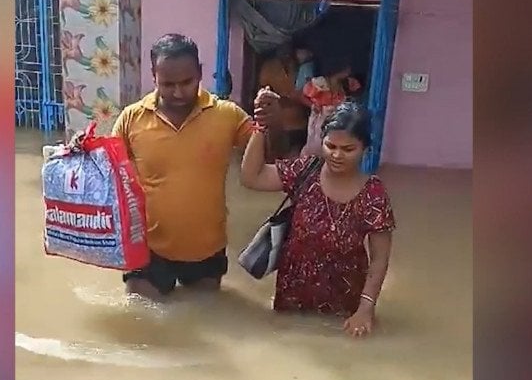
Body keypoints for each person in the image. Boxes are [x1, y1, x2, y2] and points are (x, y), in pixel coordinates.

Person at [106, 34, 270, 300]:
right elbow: (107, 171)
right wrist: (82, 149)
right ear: (153, 75)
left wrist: (270, 123)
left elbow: (269, 159)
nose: (179, 92)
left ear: (201, 73)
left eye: (187, 82)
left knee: (202, 316)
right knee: (143, 320)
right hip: (149, 250)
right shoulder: (131, 118)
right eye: (168, 84)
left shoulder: (227, 115)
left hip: (206, 252)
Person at [241, 96, 395, 337]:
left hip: (345, 303)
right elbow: (252, 177)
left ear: (366, 149)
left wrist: (365, 309)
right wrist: (260, 127)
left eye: (348, 149)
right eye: (330, 146)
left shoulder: (373, 193)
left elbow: (379, 258)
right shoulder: (305, 171)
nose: (336, 155)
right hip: (292, 295)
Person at [257, 43, 313, 158]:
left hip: (302, 124)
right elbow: (265, 95)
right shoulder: (269, 68)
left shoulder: (305, 68)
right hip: (282, 125)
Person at [300, 56, 362, 156]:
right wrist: (315, 105)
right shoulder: (320, 83)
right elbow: (304, 93)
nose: (346, 75)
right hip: (320, 121)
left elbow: (356, 92)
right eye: (344, 72)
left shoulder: (347, 85)